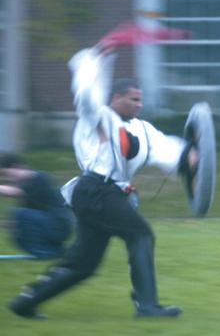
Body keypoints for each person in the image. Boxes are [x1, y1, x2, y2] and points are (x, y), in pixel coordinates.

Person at [8, 41, 197, 319]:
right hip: (95, 190)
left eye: (140, 100)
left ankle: (25, 302)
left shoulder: (144, 129)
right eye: (133, 99)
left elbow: (165, 148)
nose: (139, 104)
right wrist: (95, 60)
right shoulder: (96, 117)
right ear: (116, 98)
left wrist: (188, 158)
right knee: (140, 234)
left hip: (106, 197)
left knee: (83, 264)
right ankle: (147, 306)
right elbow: (85, 95)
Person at [0, 153, 73, 259]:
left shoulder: (38, 177)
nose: (10, 179)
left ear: (18, 167)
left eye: (9, 174)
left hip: (60, 225)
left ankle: (46, 253)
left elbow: (15, 192)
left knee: (20, 214)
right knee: (15, 229)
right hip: (50, 225)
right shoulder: (27, 185)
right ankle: (56, 251)